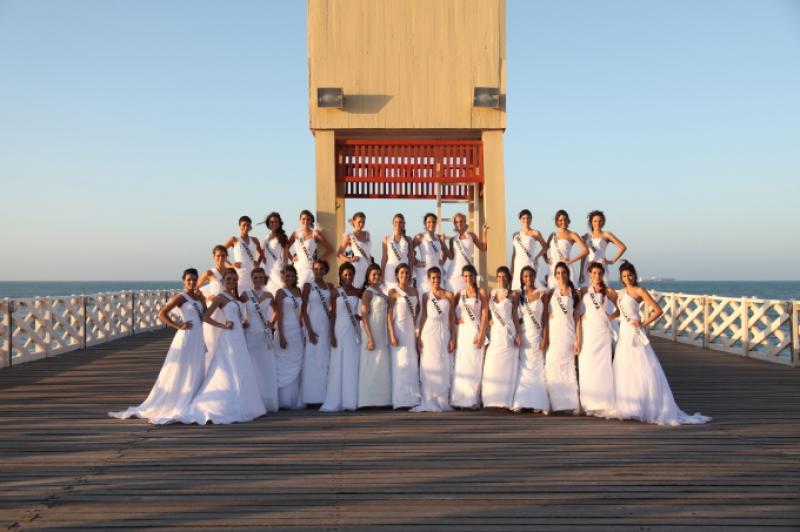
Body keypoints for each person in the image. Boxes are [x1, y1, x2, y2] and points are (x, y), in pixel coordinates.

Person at [613, 261, 711, 425]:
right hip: (623, 332)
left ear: (634, 275)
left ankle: (646, 406)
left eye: (630, 275)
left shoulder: (640, 291)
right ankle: (628, 406)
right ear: (621, 278)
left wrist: (643, 323)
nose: (627, 278)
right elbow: (619, 311)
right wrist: (610, 316)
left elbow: (658, 310)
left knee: (640, 367)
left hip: (635, 332)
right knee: (625, 367)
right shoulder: (621, 293)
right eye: (624, 276)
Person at [109, 269, 207, 422]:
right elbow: (162, 313)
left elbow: (204, 316)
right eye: (189, 279)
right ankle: (178, 399)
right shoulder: (180, 297)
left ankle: (193, 397)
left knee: (196, 367)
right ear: (184, 280)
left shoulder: (199, 297)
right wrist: (178, 325)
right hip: (187, 336)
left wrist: (203, 299)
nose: (192, 282)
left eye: (194, 279)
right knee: (183, 368)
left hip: (198, 336)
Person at [173, 268, 266, 425]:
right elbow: (205, 316)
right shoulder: (221, 297)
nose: (231, 282)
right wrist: (222, 325)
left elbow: (238, 314)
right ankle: (221, 404)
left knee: (240, 367)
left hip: (239, 335)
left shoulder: (236, 297)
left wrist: (243, 322)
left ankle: (242, 402)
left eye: (234, 280)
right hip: (229, 336)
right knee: (229, 368)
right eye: (228, 279)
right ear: (223, 281)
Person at [411, 267, 456, 412]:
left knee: (442, 364)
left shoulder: (449, 295)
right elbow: (424, 316)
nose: (436, 280)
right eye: (433, 278)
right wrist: (419, 336)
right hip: (428, 334)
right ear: (429, 279)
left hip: (443, 334)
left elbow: (452, 318)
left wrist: (453, 337)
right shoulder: (426, 296)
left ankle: (441, 400)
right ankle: (429, 399)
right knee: (429, 364)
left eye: (438, 277)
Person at [320, 263, 362, 412]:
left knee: (352, 362)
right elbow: (332, 315)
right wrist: (331, 334)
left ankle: (351, 399)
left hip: (353, 330)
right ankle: (336, 399)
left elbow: (363, 311)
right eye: (345, 275)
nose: (348, 277)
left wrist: (360, 317)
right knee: (337, 363)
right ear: (340, 276)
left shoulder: (358, 292)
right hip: (339, 328)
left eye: (350, 274)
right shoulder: (335, 292)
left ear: (354, 276)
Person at [577, 262, 617, 417]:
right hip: (587, 331)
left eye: (600, 273)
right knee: (587, 365)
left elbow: (621, 308)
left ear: (603, 274)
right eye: (594, 273)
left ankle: (603, 402)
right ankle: (589, 403)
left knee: (602, 367)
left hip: (602, 333)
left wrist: (611, 316)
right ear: (589, 274)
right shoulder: (583, 291)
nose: (597, 276)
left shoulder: (608, 291)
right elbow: (576, 311)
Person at [544, 261, 582, 414]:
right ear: (554, 275)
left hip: (568, 334)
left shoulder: (575, 293)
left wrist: (578, 340)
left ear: (568, 274)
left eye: (563, 272)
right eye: (558, 273)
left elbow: (577, 319)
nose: (561, 275)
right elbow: (544, 314)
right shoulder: (550, 293)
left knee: (567, 368)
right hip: (554, 333)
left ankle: (569, 404)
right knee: (552, 365)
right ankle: (556, 404)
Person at [511, 266, 550, 413]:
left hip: (537, 334)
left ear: (535, 277)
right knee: (524, 367)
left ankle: (538, 403)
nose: (528, 279)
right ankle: (522, 401)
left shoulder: (542, 294)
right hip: (524, 335)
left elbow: (545, 318)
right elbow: (514, 316)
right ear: (522, 278)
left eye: (530, 276)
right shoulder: (518, 295)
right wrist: (517, 334)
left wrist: (545, 337)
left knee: (537, 367)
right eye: (525, 276)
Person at [481, 266, 521, 409]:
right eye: (499, 277)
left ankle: (504, 401)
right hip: (495, 334)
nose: (501, 279)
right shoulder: (491, 293)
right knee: (492, 366)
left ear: (508, 278)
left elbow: (515, 315)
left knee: (506, 368)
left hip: (508, 333)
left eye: (504, 277)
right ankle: (492, 400)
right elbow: (486, 312)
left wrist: (518, 334)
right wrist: (489, 320)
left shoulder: (513, 294)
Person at [241, 267, 279, 413]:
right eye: (255, 277)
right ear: (252, 279)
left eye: (260, 278)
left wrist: (272, 323)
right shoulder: (245, 295)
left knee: (265, 367)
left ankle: (267, 400)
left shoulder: (269, 295)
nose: (258, 280)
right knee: (252, 367)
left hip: (264, 335)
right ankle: (253, 401)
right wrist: (243, 321)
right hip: (250, 334)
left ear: (264, 279)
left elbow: (277, 311)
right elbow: (237, 309)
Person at [451, 265, 488, 409]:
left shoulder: (481, 292)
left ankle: (472, 399)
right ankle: (459, 399)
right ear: (462, 277)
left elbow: (485, 314)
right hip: (463, 332)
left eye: (470, 275)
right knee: (462, 365)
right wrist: (456, 319)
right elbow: (450, 310)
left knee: (474, 365)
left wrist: (482, 334)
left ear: (474, 276)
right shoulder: (459, 293)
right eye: (465, 276)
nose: (468, 278)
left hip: (476, 331)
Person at [387, 263, 421, 409]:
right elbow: (389, 314)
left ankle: (412, 398)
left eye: (407, 273)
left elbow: (418, 310)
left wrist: (417, 330)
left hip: (410, 331)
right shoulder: (393, 291)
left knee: (412, 363)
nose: (404, 275)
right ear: (397, 275)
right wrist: (392, 334)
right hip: (399, 330)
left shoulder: (414, 290)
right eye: (402, 273)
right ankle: (400, 399)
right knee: (401, 363)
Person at [357, 264, 392, 407]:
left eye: (379, 274)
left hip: (382, 331)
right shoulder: (367, 293)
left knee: (381, 363)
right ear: (368, 277)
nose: (377, 277)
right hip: (371, 331)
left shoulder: (382, 292)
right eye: (374, 274)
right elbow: (364, 316)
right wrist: (370, 338)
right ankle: (367, 400)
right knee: (370, 363)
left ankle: (382, 400)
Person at [300, 259, 333, 406]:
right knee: (312, 358)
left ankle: (324, 396)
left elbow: (332, 307)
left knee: (324, 358)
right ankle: (311, 397)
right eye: (316, 269)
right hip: (312, 324)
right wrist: (309, 330)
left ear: (326, 270)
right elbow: (303, 310)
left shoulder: (330, 286)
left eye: (321, 269)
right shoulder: (308, 286)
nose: (318, 271)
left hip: (325, 324)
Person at [274, 265, 306, 409]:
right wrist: (281, 336)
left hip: (297, 331)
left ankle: (294, 399)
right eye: (287, 276)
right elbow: (279, 315)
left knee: (296, 362)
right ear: (283, 277)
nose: (290, 278)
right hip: (285, 330)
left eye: (292, 276)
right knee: (283, 363)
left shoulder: (298, 291)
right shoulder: (280, 293)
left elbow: (301, 312)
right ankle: (283, 400)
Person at [197, 245, 231, 356]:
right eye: (218, 256)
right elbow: (195, 288)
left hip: (227, 307)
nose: (220, 258)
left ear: (227, 256)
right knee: (212, 336)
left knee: (226, 335)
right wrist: (205, 298)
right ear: (214, 257)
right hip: (214, 309)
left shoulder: (230, 272)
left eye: (223, 256)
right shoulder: (209, 273)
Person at [578, 210, 627, 288]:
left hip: (601, 266)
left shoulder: (606, 234)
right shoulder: (586, 236)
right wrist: (581, 272)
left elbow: (623, 247)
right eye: (595, 221)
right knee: (587, 290)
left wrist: (611, 261)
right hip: (588, 267)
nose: (597, 223)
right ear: (591, 222)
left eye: (600, 221)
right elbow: (583, 255)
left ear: (603, 222)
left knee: (602, 289)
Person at [288, 209, 333, 288]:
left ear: (311, 220)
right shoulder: (295, 234)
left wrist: (318, 261)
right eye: (303, 219)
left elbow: (330, 249)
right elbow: (285, 248)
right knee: (297, 289)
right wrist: (291, 258)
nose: (306, 221)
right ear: (300, 220)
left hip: (309, 267)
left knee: (308, 290)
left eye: (308, 219)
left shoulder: (315, 233)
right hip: (297, 267)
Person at [544, 210, 588, 289]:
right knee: (553, 292)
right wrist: (546, 259)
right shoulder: (552, 235)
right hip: (553, 268)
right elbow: (544, 249)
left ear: (568, 220)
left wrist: (570, 261)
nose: (563, 222)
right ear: (557, 221)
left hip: (566, 268)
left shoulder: (572, 234)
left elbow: (585, 251)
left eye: (565, 219)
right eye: (560, 220)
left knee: (570, 292)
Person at [445, 213, 489, 292]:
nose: (459, 224)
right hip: (455, 271)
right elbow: (451, 257)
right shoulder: (452, 239)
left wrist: (484, 233)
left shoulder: (471, 236)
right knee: (453, 293)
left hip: (468, 270)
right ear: (454, 224)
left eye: (461, 221)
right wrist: (442, 244)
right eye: (456, 222)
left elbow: (483, 248)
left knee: (470, 293)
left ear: (465, 222)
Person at [510, 209, 547, 291]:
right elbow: (514, 254)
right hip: (518, 264)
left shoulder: (535, 233)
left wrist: (537, 257)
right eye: (523, 218)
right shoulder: (515, 235)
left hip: (529, 262)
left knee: (532, 285)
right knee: (517, 287)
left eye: (528, 218)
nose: (526, 220)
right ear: (520, 220)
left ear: (531, 219)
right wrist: (512, 270)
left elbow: (545, 246)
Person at [225, 216, 264, 293]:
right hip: (240, 273)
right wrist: (231, 265)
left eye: (248, 225)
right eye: (243, 225)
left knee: (252, 294)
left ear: (250, 227)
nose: (246, 227)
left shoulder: (255, 240)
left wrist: (258, 263)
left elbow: (262, 254)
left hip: (253, 272)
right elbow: (221, 251)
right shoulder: (234, 239)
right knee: (240, 294)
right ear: (239, 226)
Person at [337, 211, 373, 289]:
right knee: (358, 288)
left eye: (363, 222)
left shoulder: (367, 234)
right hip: (357, 266)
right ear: (354, 222)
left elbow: (368, 252)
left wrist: (371, 264)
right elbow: (339, 253)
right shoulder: (349, 236)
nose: (361, 224)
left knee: (369, 288)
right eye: (359, 222)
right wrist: (350, 259)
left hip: (368, 265)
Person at [413, 213, 447, 293]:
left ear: (436, 223)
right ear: (425, 223)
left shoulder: (439, 237)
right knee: (424, 294)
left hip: (438, 270)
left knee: (439, 294)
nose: (431, 224)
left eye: (433, 222)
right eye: (429, 222)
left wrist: (442, 260)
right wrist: (415, 261)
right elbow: (409, 251)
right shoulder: (420, 237)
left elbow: (445, 252)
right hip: (424, 271)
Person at [381, 213, 414, 291]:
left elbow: (411, 258)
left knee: (404, 293)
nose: (398, 224)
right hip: (390, 270)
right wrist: (381, 274)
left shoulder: (408, 239)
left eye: (400, 222)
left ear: (404, 224)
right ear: (392, 224)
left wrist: (410, 274)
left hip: (404, 272)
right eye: (396, 222)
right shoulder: (386, 239)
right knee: (390, 292)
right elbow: (384, 258)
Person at [260, 212, 289, 294]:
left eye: (276, 222)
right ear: (268, 224)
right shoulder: (266, 238)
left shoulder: (283, 237)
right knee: (268, 291)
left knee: (280, 290)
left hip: (278, 268)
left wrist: (285, 270)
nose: (274, 224)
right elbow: (261, 252)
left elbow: (286, 257)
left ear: (279, 223)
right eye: (272, 222)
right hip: (268, 268)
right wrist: (263, 258)